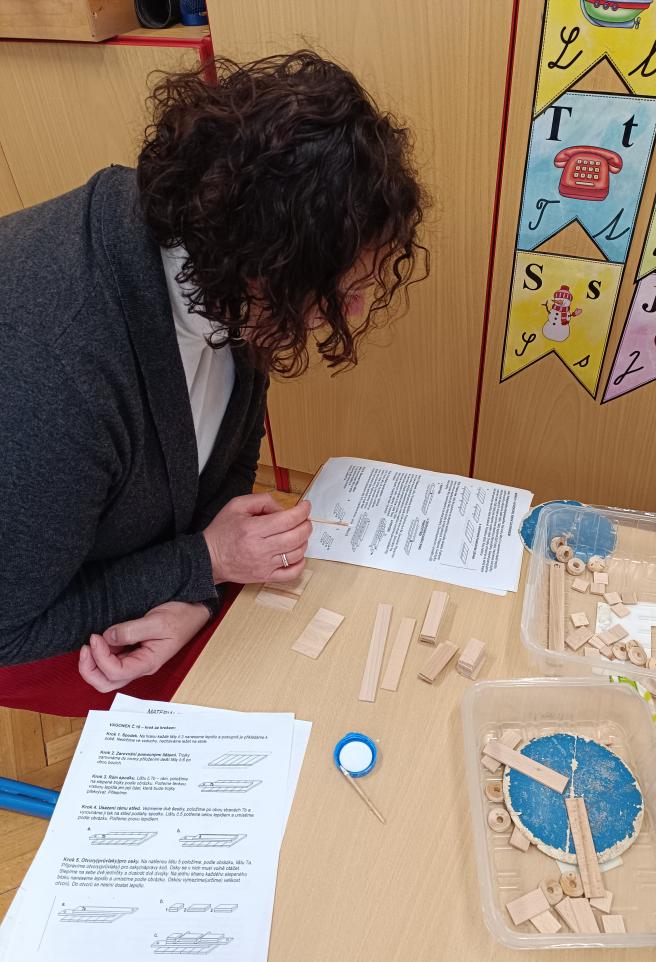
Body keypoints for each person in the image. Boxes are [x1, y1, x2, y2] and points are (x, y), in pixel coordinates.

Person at [0, 51, 427, 699]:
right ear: (264, 268)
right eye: (340, 295)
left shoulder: (224, 261)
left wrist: (198, 591)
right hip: (32, 625)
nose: (356, 312)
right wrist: (206, 562)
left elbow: (230, 452)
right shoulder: (56, 375)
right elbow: (11, 629)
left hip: (136, 561)